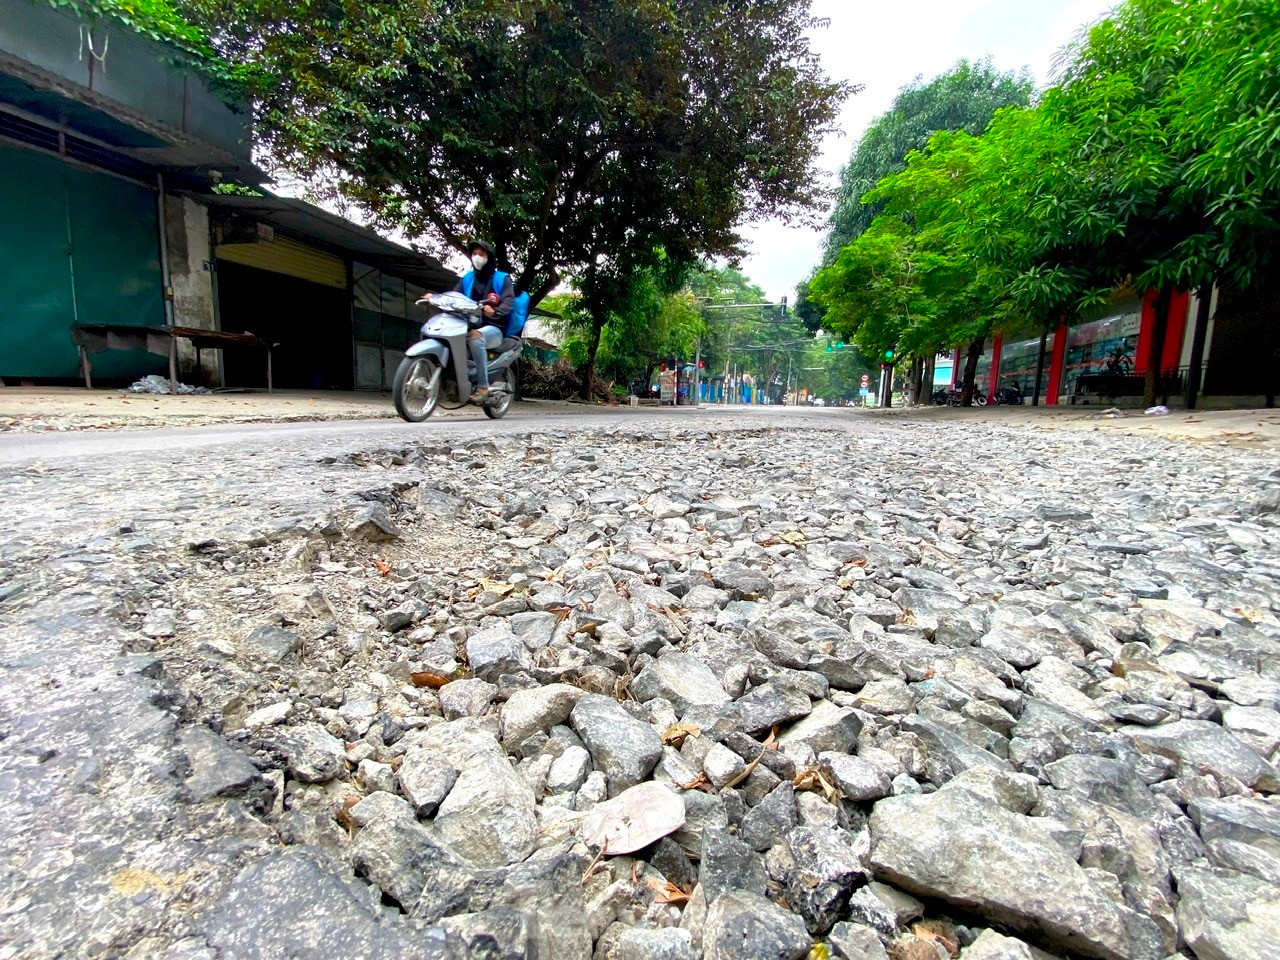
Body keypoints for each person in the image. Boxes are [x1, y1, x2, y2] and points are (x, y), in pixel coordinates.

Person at [455, 240, 513, 400]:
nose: (477, 257)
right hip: (467, 325)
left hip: (494, 328)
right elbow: (454, 295)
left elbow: (509, 302)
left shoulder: (502, 279)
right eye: (474, 253)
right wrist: (436, 297)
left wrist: (495, 311)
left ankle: (483, 387)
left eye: (481, 254)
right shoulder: (467, 278)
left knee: (475, 338)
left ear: (490, 257)